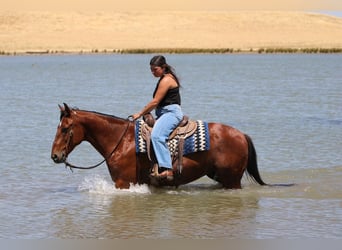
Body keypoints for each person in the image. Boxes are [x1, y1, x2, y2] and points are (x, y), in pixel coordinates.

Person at [131, 55, 183, 180]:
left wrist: (140, 114)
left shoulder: (166, 80)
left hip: (171, 113)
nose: (152, 72)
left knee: (157, 136)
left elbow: (155, 102)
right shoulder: (164, 78)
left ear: (163, 67)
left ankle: (167, 168)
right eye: (151, 69)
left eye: (155, 69)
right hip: (163, 113)